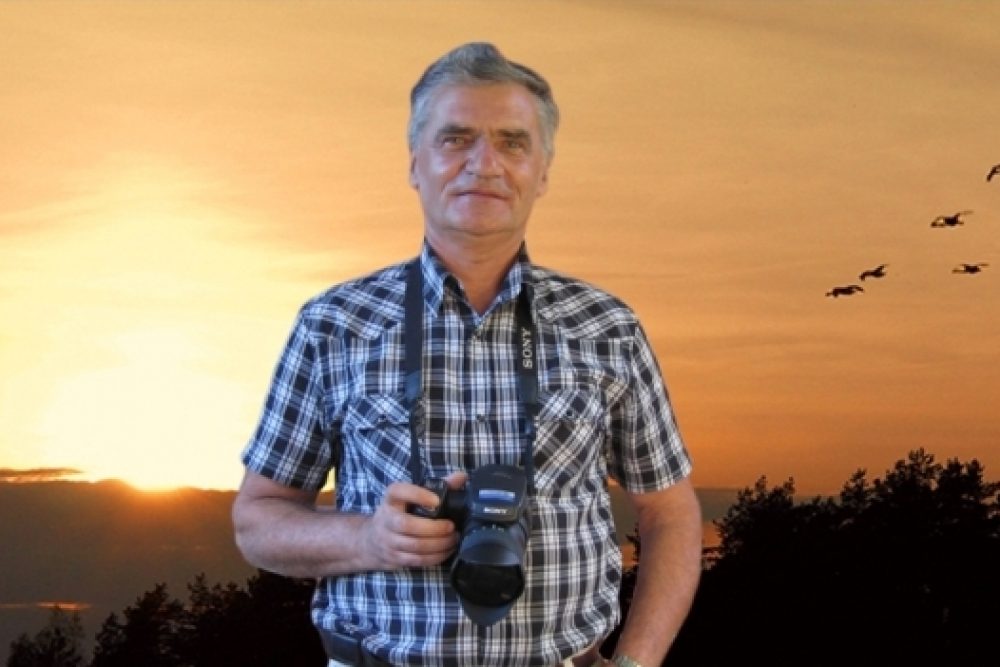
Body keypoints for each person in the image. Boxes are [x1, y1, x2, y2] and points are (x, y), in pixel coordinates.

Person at [233, 42, 702, 667]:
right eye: (455, 139)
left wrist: (636, 663)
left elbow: (670, 514)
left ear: (542, 171)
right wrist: (369, 538)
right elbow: (258, 521)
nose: (484, 164)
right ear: (415, 164)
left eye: (513, 143)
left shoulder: (606, 326)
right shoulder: (335, 325)